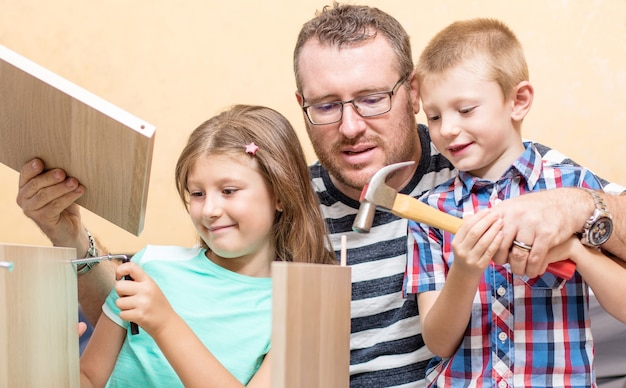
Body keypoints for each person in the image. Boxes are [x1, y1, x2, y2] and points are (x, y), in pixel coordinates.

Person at [15, 3, 626, 387]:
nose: (352, 125)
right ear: (301, 106)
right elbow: (159, 316)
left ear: (414, 93)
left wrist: (578, 208)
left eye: (371, 98)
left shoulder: (476, 161)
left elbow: (600, 218)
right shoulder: (280, 203)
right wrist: (68, 235)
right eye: (327, 105)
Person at [403, 18, 626, 387]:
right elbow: (439, 342)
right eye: (435, 116)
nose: (446, 129)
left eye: (466, 109)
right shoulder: (430, 213)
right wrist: (465, 269)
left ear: (518, 101)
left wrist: (575, 249)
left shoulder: (575, 192)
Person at [79, 104, 336, 387]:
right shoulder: (149, 267)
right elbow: (89, 378)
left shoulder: (302, 309)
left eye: (228, 191)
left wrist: (165, 323)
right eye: (198, 193)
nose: (209, 210)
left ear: (280, 195)